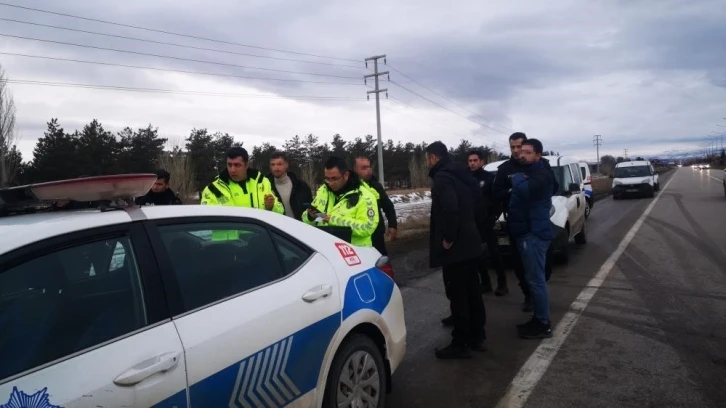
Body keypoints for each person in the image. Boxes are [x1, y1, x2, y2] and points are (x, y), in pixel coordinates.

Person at [426, 141, 487, 359]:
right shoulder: (463, 174)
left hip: (457, 247)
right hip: (471, 241)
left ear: (433, 157)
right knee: (473, 291)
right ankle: (478, 336)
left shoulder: (443, 177)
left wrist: (449, 237)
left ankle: (461, 342)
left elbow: (451, 209)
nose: (427, 162)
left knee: (458, 294)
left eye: (427, 158)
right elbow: (478, 202)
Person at [493, 132, 558, 312]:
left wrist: (532, 190)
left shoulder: (541, 166)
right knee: (520, 265)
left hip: (538, 221)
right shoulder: (505, 169)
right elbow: (496, 192)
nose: (517, 151)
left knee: (543, 265)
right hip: (516, 222)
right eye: (513, 147)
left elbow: (554, 187)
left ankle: (540, 297)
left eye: (520, 147)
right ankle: (529, 296)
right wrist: (513, 192)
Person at [508, 139, 554, 339]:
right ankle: (538, 318)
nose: (522, 154)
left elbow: (526, 191)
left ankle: (543, 324)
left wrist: (517, 179)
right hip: (527, 231)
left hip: (534, 234)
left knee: (536, 281)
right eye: (521, 151)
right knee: (533, 279)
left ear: (538, 155)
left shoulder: (541, 173)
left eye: (527, 152)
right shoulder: (533, 173)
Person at [303, 156, 379, 247]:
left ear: (346, 175)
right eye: (327, 178)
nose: (330, 183)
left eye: (334, 178)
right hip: (327, 250)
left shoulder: (365, 196)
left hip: (356, 254)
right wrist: (311, 217)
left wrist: (332, 220)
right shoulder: (323, 191)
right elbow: (318, 219)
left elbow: (367, 227)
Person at [467, 150, 508, 296]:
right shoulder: (466, 179)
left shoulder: (489, 178)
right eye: (470, 161)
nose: (472, 163)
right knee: (476, 255)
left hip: (487, 222)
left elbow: (497, 200)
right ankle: (485, 283)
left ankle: (502, 284)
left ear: (481, 162)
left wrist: (493, 217)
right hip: (472, 223)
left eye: (475, 160)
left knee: (494, 253)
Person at [201, 147, 284, 212]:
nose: (232, 170)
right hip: (228, 234)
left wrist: (271, 207)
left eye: (237, 165)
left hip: (258, 234)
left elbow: (280, 211)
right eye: (229, 165)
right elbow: (205, 219)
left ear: (246, 165)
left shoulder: (261, 183)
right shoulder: (213, 189)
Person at [354, 156, 398, 255]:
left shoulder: (376, 186)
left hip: (376, 235)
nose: (368, 170)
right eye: (363, 168)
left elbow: (388, 206)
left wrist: (392, 225)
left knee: (381, 265)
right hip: (357, 238)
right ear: (355, 169)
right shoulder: (350, 189)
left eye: (369, 167)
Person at [267, 152, 313, 220]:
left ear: (286, 165)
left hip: (298, 228)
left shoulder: (301, 186)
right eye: (273, 164)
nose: (276, 168)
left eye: (279, 164)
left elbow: (310, 210)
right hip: (275, 229)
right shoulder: (264, 186)